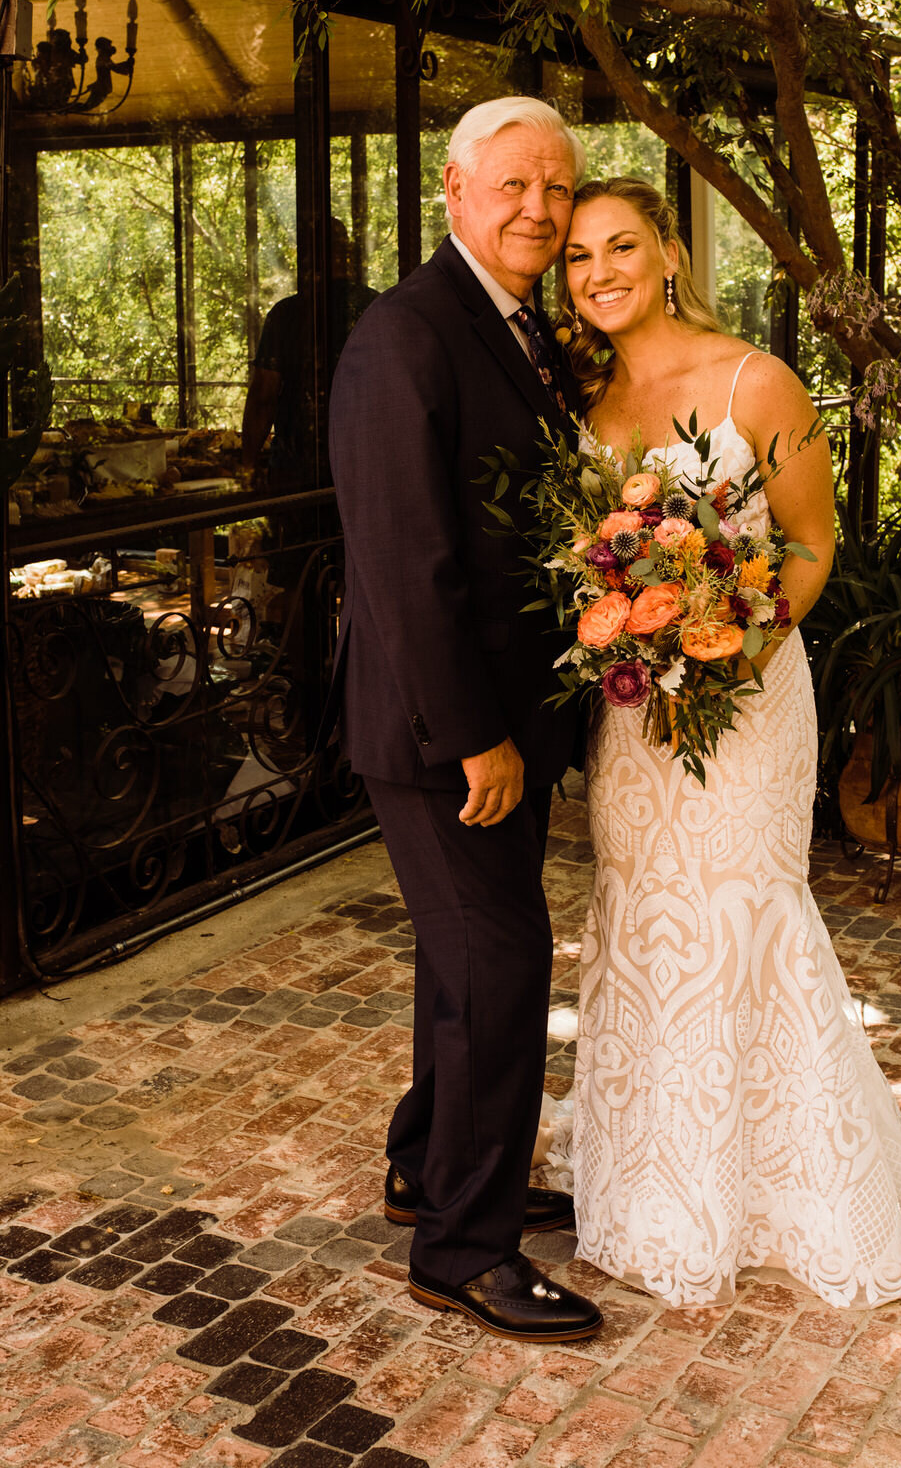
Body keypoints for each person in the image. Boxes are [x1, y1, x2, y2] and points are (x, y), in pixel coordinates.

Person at [544, 176, 901, 1309]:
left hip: (745, 694)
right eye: (575, 257)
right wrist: (640, 648)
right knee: (644, 907)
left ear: (666, 250)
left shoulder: (758, 379)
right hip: (635, 707)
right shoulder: (586, 399)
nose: (598, 271)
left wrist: (726, 655)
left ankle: (776, 1181)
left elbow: (809, 543)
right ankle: (652, 1171)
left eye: (619, 246)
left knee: (740, 904)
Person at [328, 98, 603, 1341]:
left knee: (461, 958)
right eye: (514, 187)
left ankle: (422, 1168)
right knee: (502, 969)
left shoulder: (518, 326)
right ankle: (465, 1245)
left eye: (558, 187)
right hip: (447, 736)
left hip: (505, 722)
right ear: (454, 190)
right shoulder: (407, 337)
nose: (539, 209)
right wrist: (471, 736)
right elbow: (405, 560)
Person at [242, 218, 378, 492]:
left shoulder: (287, 314)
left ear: (307, 256)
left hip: (296, 471)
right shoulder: (376, 308)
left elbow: (263, 396)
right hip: (363, 466)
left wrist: (247, 464)